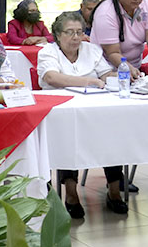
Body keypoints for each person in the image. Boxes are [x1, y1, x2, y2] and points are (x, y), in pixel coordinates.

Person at [89, 0, 148, 214]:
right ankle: (114, 180)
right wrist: (125, 67)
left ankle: (120, 176)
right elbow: (111, 53)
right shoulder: (105, 12)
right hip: (102, 68)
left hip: (132, 67)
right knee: (113, 123)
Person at [36, 12, 114, 219]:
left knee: (113, 130)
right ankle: (70, 190)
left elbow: (106, 75)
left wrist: (124, 74)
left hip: (94, 109)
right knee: (67, 139)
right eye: (69, 32)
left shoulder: (91, 50)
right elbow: (52, 78)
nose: (76, 37)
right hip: (58, 112)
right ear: (57, 35)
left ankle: (115, 187)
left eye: (79, 32)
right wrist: (89, 81)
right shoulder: (47, 52)